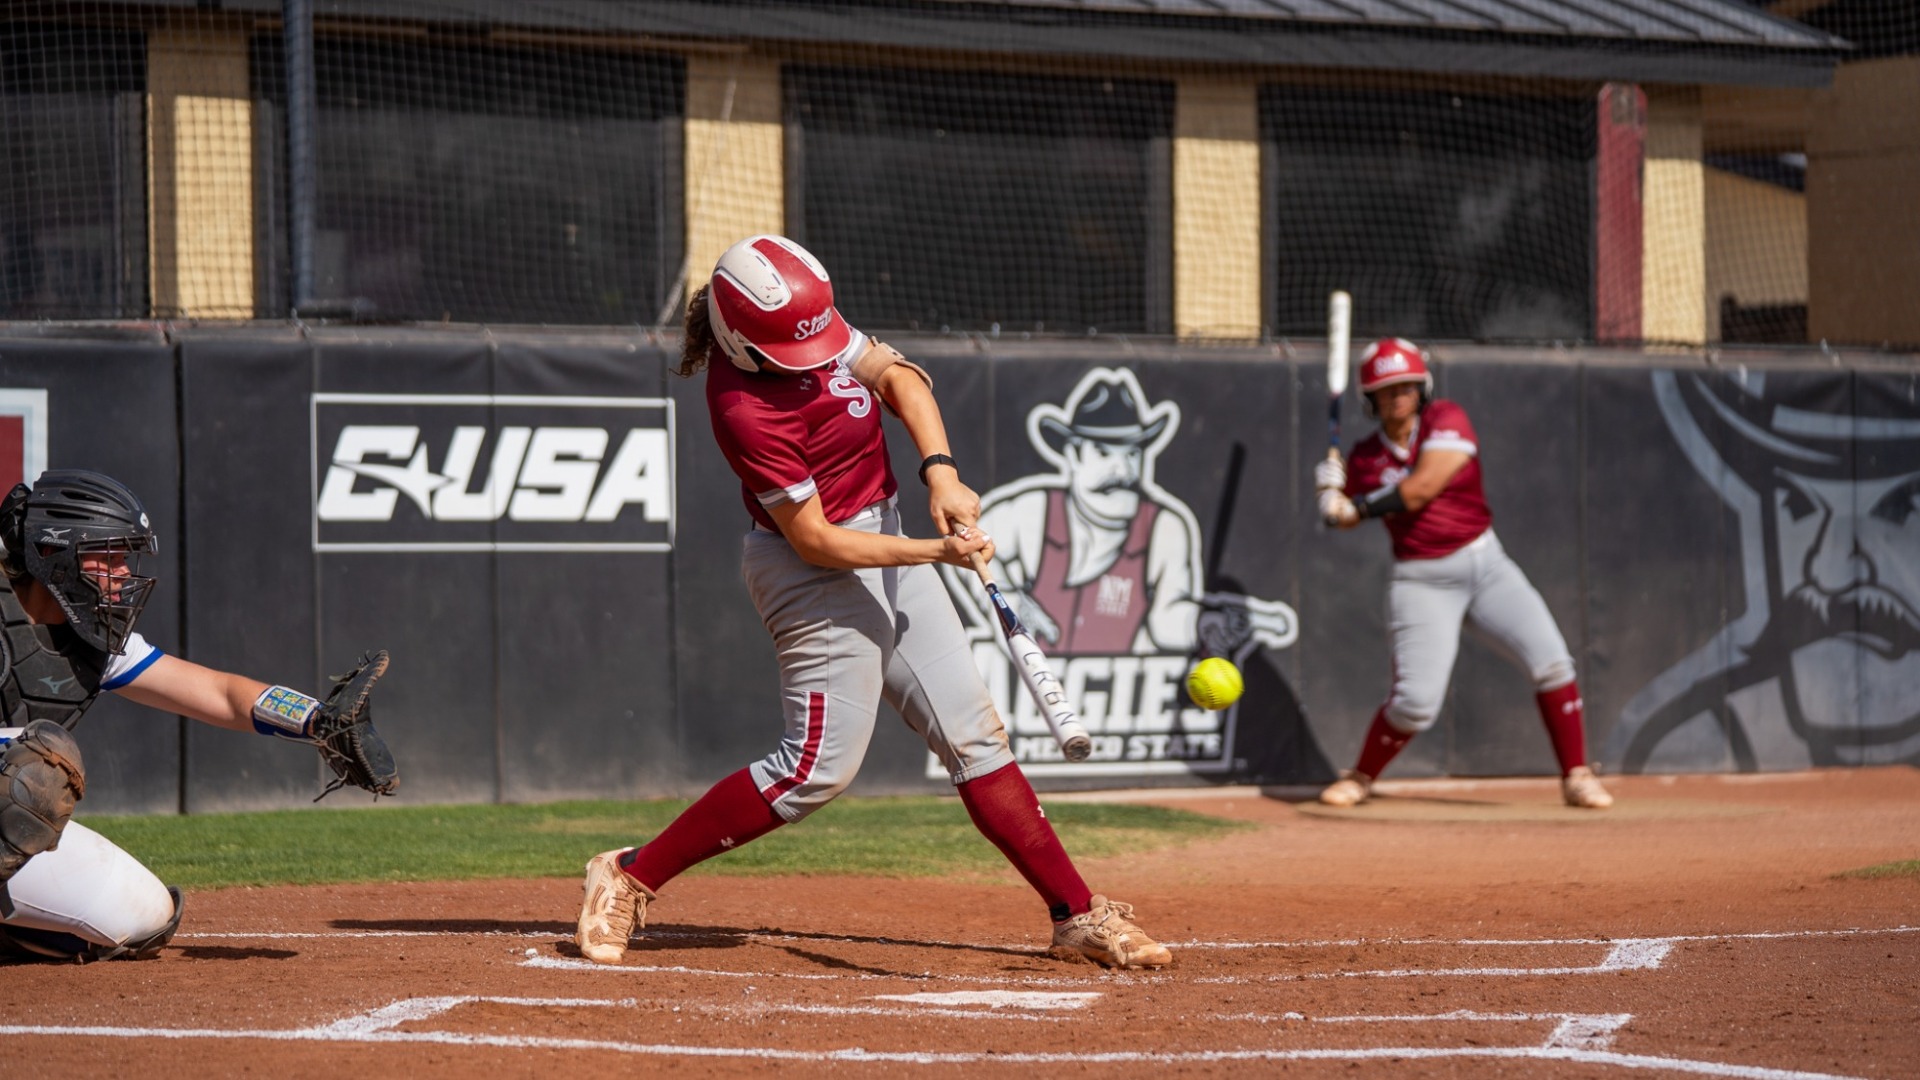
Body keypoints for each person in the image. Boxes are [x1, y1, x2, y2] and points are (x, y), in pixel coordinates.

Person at [573, 235, 1171, 970]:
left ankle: (1076, 914)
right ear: (738, 335)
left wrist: (941, 475)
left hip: (885, 532)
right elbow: (818, 541)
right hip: (810, 573)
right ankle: (628, 875)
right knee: (814, 770)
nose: (820, 354)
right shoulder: (741, 407)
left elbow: (898, 377)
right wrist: (935, 553)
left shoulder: (804, 323)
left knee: (975, 738)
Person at [0, 470, 396, 962]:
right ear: (52, 554)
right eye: (110, 555)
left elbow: (220, 693)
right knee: (34, 772)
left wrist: (316, 719)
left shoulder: (95, 645)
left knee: (146, 915)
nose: (125, 572)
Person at [1314, 338, 1612, 810]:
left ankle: (1577, 775)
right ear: (1370, 400)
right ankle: (1361, 777)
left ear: (1422, 388)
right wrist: (1331, 495)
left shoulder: (1446, 419)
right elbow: (1343, 517)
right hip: (1421, 579)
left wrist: (1356, 505)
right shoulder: (1365, 457)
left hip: (1486, 564)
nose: (1399, 397)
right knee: (1414, 702)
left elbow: (1422, 486)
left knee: (1553, 662)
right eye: (1387, 391)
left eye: (1407, 387)